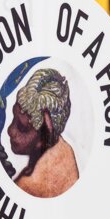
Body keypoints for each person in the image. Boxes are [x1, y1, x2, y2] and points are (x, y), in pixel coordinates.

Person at [6, 68, 80, 198]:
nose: (10, 130)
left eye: (22, 128)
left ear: (46, 132)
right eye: (14, 119)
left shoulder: (30, 186)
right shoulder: (63, 149)